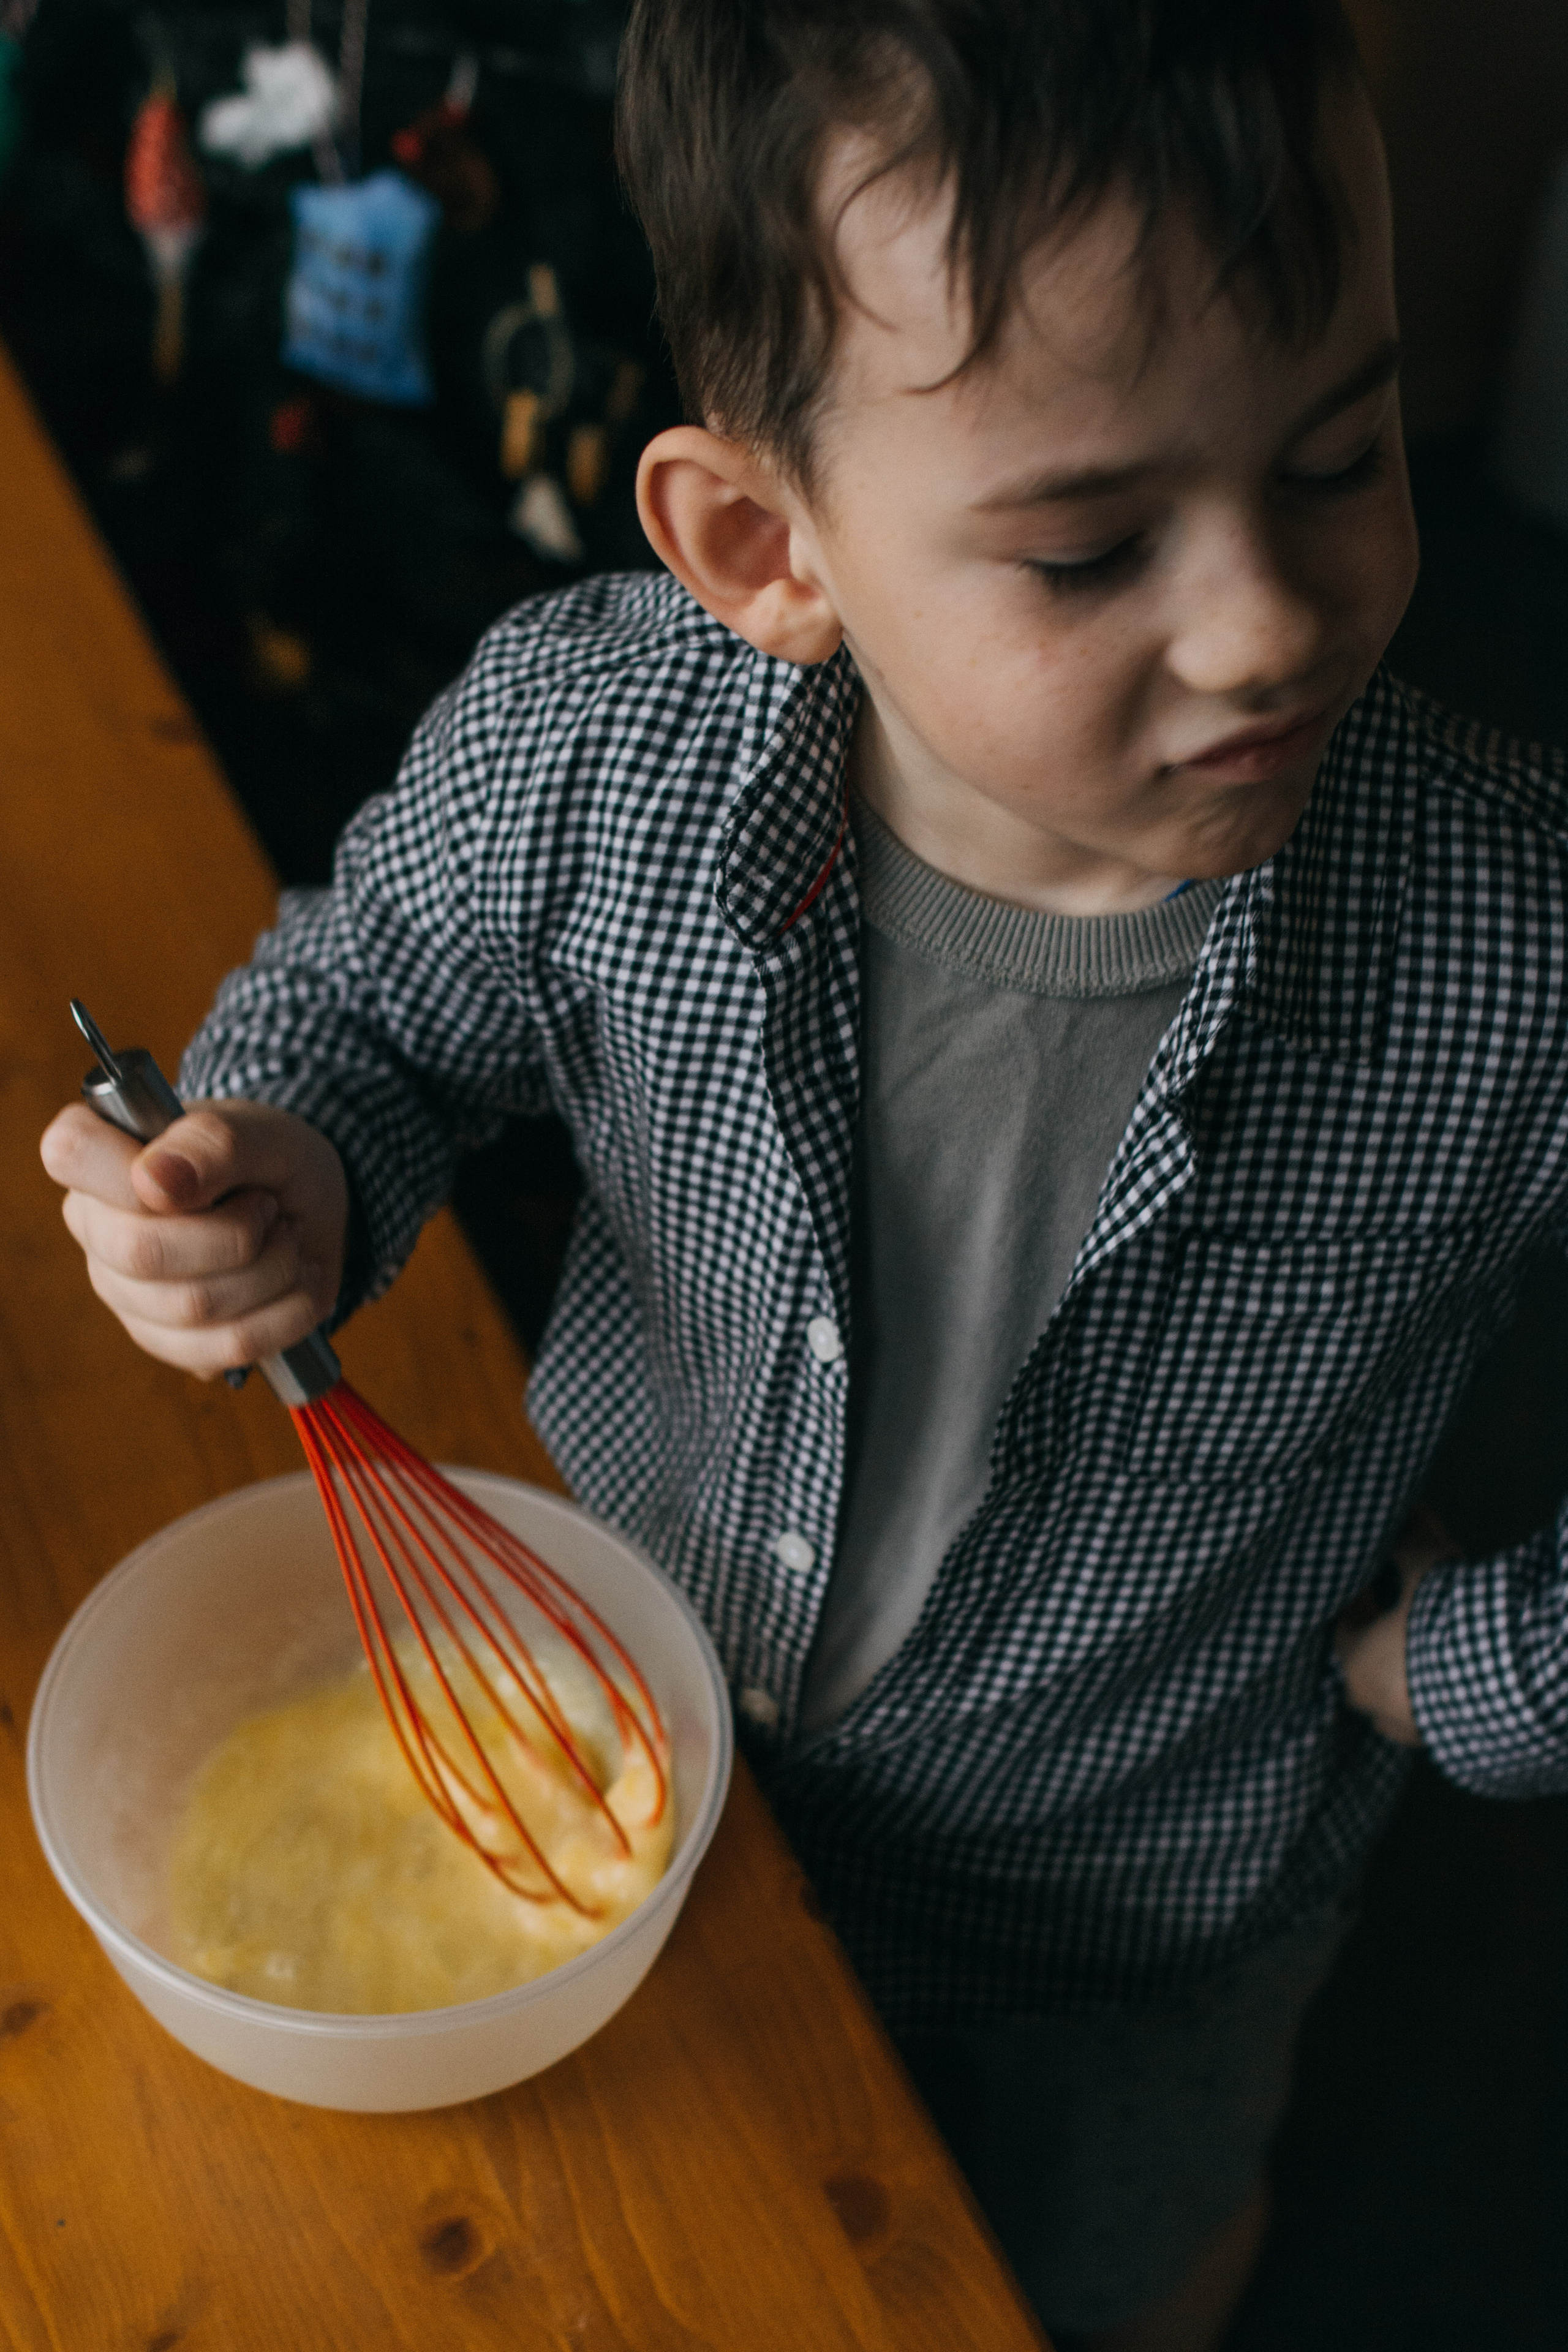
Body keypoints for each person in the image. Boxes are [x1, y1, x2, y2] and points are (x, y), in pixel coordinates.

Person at [39, 4, 1568, 2345]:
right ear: (764, 544)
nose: (1271, 620)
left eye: (1342, 454)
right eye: (1091, 546)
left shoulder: (1516, 949)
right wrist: (286, 1173)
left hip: (1135, 1913)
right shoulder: (588, 756)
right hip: (607, 1768)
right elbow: (366, 1011)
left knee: (1114, 2264)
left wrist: (1478, 1670)